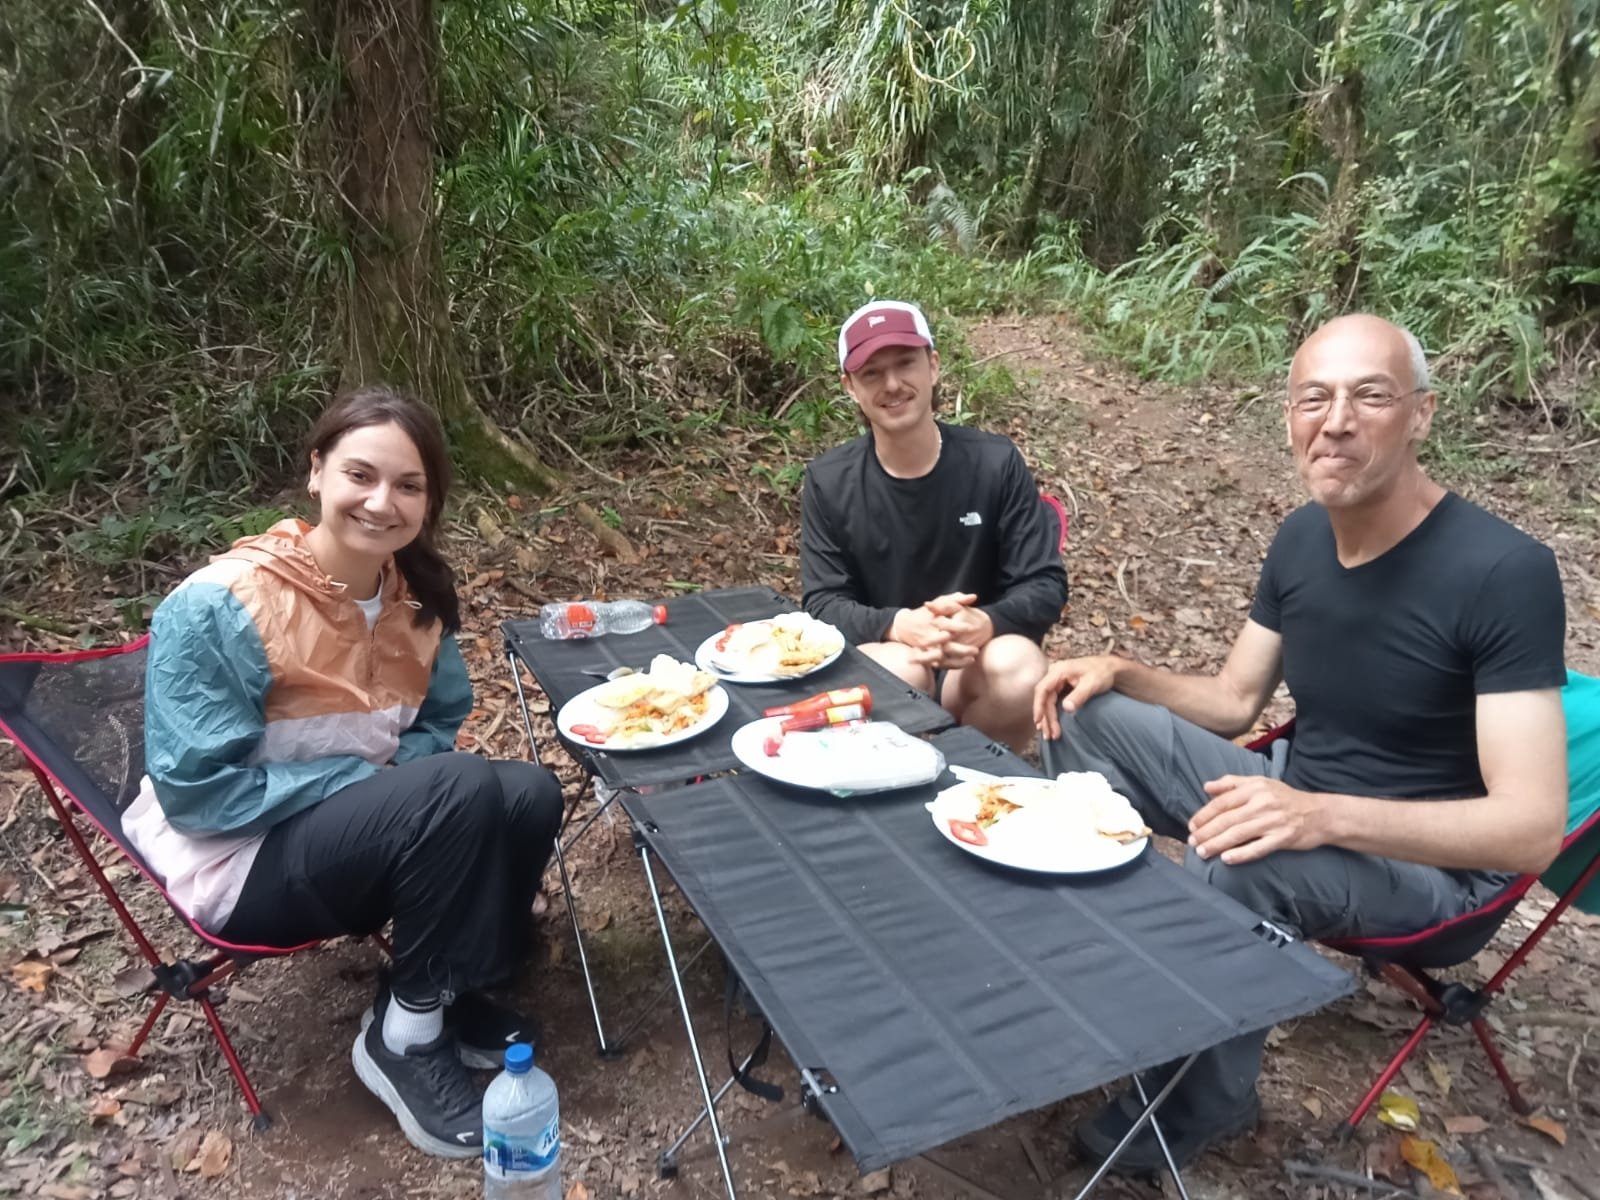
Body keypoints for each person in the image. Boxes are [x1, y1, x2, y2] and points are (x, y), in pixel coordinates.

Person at [1033, 314, 1568, 1172]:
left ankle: (1205, 1101)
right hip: (1292, 790)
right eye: (1313, 398)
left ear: (1421, 414)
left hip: (1428, 874)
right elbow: (1235, 700)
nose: (1337, 419)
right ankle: (1117, 975)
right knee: (1080, 710)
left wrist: (1316, 814)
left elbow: (1529, 829)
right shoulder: (1301, 537)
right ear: (1290, 418)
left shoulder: (1503, 572)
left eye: (1370, 395)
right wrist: (1123, 670)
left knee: (1239, 853)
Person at [123, 385, 563, 1159]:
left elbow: (435, 722)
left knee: (525, 791)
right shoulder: (221, 605)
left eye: (408, 485)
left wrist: (387, 786)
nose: (381, 502)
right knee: (455, 786)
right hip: (237, 861)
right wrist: (367, 784)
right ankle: (406, 1040)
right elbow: (199, 796)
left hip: (356, 841)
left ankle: (446, 990)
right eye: (361, 475)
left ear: (429, 502)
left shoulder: (413, 602)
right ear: (317, 472)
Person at [800, 300, 1068, 750]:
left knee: (1021, 667)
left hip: (980, 655)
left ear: (933, 366)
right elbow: (823, 603)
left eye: (905, 363)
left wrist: (985, 621)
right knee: (903, 670)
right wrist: (900, 625)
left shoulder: (994, 462)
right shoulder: (829, 481)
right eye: (871, 373)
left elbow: (1044, 584)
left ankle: (978, 774)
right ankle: (895, 780)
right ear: (850, 387)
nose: (892, 384)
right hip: (891, 652)